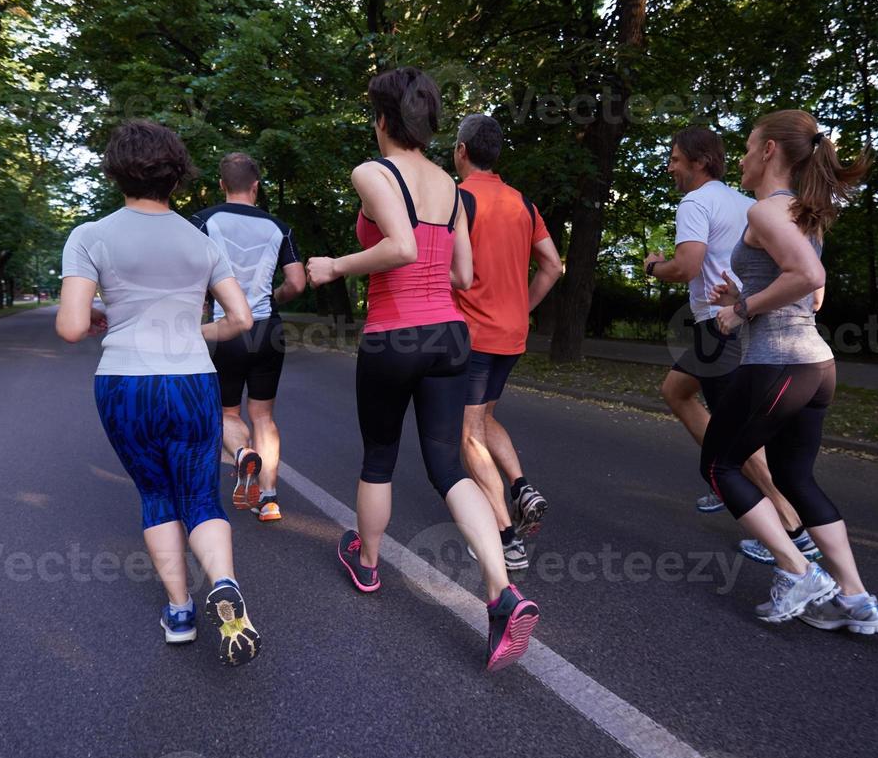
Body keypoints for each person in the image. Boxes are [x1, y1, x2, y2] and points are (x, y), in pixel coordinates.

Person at [306, 67, 540, 671]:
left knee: (379, 457)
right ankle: (500, 591)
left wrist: (334, 266)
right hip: (452, 338)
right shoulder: (452, 188)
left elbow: (402, 247)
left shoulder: (372, 172)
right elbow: (462, 275)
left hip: (393, 336)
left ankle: (366, 563)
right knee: (446, 465)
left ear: (382, 119)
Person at [55, 119, 263, 666]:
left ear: (116, 171)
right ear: (177, 175)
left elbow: (73, 327)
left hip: (125, 383)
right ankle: (224, 582)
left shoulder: (90, 236)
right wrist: (199, 331)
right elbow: (240, 318)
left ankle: (180, 612)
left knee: (156, 495)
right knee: (201, 496)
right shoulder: (201, 241)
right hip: (193, 379)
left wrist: (103, 312)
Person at [703, 110, 878, 634]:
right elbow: (815, 296)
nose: (738, 158)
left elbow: (808, 276)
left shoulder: (766, 211)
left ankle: (798, 570)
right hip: (816, 366)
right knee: (794, 476)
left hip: (777, 362)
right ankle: (856, 597)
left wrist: (740, 310)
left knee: (719, 467)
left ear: (768, 152)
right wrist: (747, 297)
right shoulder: (806, 215)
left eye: (745, 146)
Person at [643, 127, 822, 567]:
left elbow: (686, 267)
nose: (670, 169)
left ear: (700, 161)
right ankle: (733, 480)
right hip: (737, 323)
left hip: (722, 327)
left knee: (736, 443)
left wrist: (652, 266)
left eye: (675, 159)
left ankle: (790, 526)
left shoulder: (695, 202)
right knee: (676, 391)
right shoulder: (747, 204)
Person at [451, 113, 563, 571]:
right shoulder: (524, 204)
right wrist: (524, 307)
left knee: (467, 433)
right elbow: (553, 266)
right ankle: (520, 486)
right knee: (485, 416)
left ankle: (503, 535)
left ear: (461, 151)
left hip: (472, 335)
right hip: (512, 335)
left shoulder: (457, 201)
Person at [190, 152, 305, 522]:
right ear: (256, 186)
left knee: (227, 412)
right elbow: (296, 282)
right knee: (264, 416)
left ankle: (241, 456)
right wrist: (276, 297)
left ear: (222, 184)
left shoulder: (203, 222)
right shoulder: (279, 226)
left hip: (227, 330)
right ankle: (269, 498)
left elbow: (188, 274)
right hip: (268, 329)